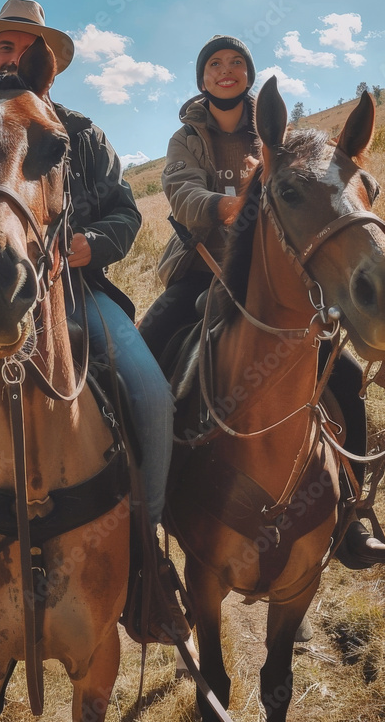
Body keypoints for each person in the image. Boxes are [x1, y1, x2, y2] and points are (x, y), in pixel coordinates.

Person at [0, 0, 188, 681]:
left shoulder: (79, 132)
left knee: (151, 394)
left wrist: (86, 247)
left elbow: (125, 213)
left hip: (76, 291)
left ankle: (147, 563)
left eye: (23, 46)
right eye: (2, 46)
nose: (11, 55)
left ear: (43, 59)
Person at [140, 33, 385, 569]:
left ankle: (350, 518)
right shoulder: (187, 139)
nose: (225, 72)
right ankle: (142, 519)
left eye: (235, 64)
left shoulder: (281, 138)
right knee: (143, 360)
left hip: (271, 279)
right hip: (200, 271)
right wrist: (229, 206)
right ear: (202, 79)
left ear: (248, 76)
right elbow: (180, 195)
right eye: (214, 65)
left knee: (343, 377)